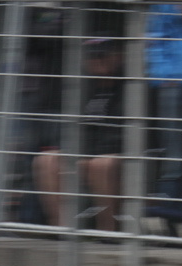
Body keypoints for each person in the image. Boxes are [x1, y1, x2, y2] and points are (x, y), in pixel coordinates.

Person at [32, 38, 125, 231]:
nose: (97, 60)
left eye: (103, 55)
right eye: (92, 56)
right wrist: (80, 156)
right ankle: (62, 231)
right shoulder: (83, 90)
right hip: (88, 155)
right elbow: (75, 131)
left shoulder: (131, 89)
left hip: (120, 157)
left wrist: (88, 158)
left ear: (118, 57)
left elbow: (126, 135)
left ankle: (108, 232)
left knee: (101, 164)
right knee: (47, 160)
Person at [147, 3, 182, 204]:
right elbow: (156, 42)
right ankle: (171, 199)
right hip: (176, 84)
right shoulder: (166, 7)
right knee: (175, 145)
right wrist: (165, 76)